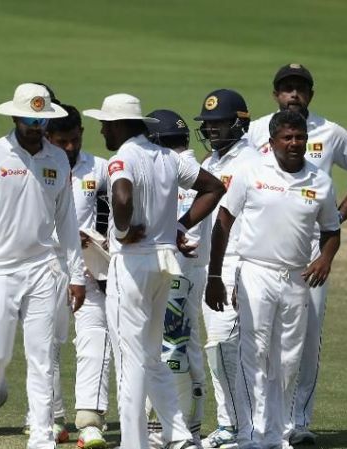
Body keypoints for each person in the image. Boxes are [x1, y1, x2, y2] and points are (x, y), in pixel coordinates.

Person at [82, 93, 226, 449]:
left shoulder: (122, 158)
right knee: (151, 355)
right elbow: (214, 187)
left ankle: (135, 444)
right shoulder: (168, 157)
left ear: (118, 125)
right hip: (166, 264)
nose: (102, 131)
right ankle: (179, 436)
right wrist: (178, 228)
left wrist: (120, 233)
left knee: (129, 360)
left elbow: (123, 198)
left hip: (132, 266)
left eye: (104, 125)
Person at [245, 63, 347, 445]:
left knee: (305, 337)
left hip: (312, 251)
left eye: (300, 88)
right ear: (275, 94)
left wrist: (339, 215)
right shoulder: (257, 131)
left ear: (310, 94)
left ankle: (297, 420)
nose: (294, 95)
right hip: (262, 252)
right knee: (260, 338)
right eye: (286, 88)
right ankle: (258, 420)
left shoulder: (330, 132)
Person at [0, 83, 86, 449]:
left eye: (41, 120)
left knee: (42, 357)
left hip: (43, 268)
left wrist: (76, 275)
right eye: (28, 118)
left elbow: (68, 223)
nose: (35, 126)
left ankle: (42, 436)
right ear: (14, 116)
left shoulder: (57, 159)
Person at [206, 110, 341, 449]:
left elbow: (331, 231)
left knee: (288, 358)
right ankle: (250, 434)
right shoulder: (251, 172)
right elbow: (223, 221)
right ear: (273, 141)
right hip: (255, 272)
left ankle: (278, 434)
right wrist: (214, 275)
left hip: (297, 277)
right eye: (288, 138)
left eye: (300, 138)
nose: (295, 144)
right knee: (254, 352)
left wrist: (325, 257)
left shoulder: (320, 182)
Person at [192, 89, 261, 449]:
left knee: (227, 347)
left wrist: (233, 275)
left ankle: (237, 428)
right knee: (220, 349)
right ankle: (234, 425)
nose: (213, 129)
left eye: (219, 123)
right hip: (212, 263)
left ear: (240, 122)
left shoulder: (251, 163)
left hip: (236, 265)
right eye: (208, 124)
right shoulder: (211, 163)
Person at [46, 104, 112, 449]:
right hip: (46, 267)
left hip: (89, 269)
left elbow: (114, 213)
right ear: (47, 138)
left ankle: (89, 421)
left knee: (95, 339)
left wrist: (101, 244)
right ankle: (51, 418)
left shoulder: (99, 168)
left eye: (75, 140)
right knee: (47, 342)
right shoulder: (37, 167)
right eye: (62, 141)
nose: (70, 148)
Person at [144, 109, 208, 448]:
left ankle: (166, 432)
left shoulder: (176, 172)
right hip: (188, 272)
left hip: (178, 271)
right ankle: (190, 431)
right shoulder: (192, 169)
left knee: (170, 348)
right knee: (184, 347)